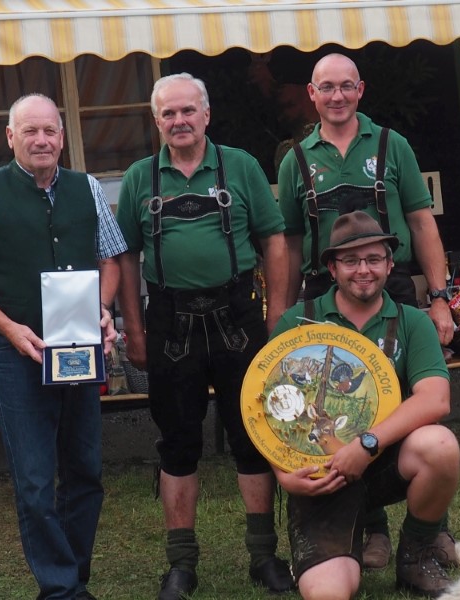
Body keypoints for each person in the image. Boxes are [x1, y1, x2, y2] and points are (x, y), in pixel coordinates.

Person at [0, 93, 126, 600]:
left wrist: (102, 308)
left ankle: (75, 581)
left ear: (62, 137)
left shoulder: (87, 188)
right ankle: (61, 590)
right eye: (30, 131)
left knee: (86, 473)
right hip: (17, 354)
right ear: (10, 137)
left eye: (49, 131)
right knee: (37, 483)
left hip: (78, 349)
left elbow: (111, 259)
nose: (41, 140)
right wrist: (8, 326)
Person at [115, 73, 293, 599]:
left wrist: (278, 315)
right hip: (170, 322)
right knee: (176, 443)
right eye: (169, 114)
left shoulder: (241, 166)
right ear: (157, 121)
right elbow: (125, 256)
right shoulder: (140, 177)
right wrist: (133, 327)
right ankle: (181, 564)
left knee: (254, 437)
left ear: (206, 115)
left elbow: (273, 240)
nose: (180, 121)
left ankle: (264, 557)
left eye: (188, 111)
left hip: (237, 316)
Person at [277, 52, 456, 569]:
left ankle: (431, 531)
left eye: (346, 86)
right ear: (312, 94)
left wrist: (439, 297)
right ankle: (371, 526)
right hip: (323, 290)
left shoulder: (391, 145)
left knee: (408, 402)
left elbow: (421, 222)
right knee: (339, 403)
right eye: (327, 87)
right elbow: (290, 243)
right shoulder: (295, 159)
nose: (337, 96)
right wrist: (282, 315)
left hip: (388, 283)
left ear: (360, 90)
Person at [270, 211, 460, 599]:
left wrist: (367, 444)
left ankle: (417, 553)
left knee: (439, 445)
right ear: (332, 268)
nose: (363, 270)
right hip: (322, 475)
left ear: (390, 264)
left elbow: (436, 398)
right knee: (328, 594)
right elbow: (268, 409)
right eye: (351, 260)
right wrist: (284, 476)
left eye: (374, 259)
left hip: (384, 459)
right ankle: (354, 538)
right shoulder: (297, 322)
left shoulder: (411, 321)